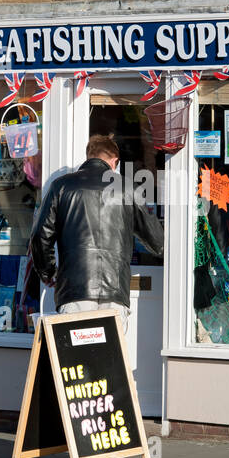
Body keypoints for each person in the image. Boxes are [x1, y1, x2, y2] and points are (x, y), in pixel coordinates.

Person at [30, 135, 163, 333]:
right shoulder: (128, 188)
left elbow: (40, 235)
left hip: (75, 290)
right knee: (111, 351)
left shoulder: (61, 186)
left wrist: (48, 272)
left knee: (77, 351)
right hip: (115, 290)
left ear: (89, 156)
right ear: (114, 161)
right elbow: (158, 242)